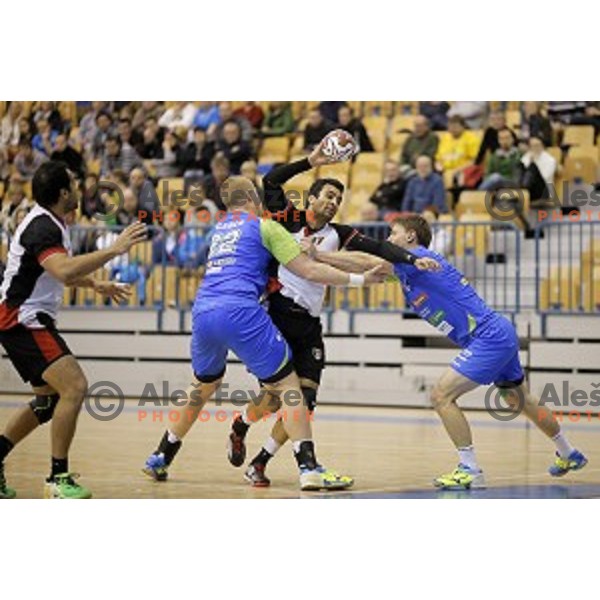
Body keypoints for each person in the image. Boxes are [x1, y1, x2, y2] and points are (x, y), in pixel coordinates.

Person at [142, 175, 390, 492]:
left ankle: (161, 455)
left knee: (203, 386)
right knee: (290, 390)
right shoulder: (266, 227)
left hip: (204, 311)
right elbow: (310, 270)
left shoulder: (220, 230)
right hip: (244, 312)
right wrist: (361, 282)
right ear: (253, 201)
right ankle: (308, 468)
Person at [312, 213, 588, 490]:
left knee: (441, 396)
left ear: (410, 236)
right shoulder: (410, 269)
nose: (388, 239)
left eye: (393, 233)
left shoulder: (415, 257)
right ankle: (568, 452)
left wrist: (320, 255)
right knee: (519, 400)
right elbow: (369, 271)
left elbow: (369, 261)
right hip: (498, 333)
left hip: (488, 337)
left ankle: (470, 469)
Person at [223, 141, 439, 487]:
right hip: (276, 316)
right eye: (327, 195)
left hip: (308, 323)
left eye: (338, 199)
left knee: (304, 403)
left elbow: (380, 246)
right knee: (277, 399)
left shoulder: (339, 234)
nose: (333, 202)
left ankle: (261, 461)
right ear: (310, 199)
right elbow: (272, 181)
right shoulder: (288, 219)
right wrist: (311, 161)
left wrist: (413, 259)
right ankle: (246, 427)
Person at [0, 161, 147, 499]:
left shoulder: (50, 222)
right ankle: (57, 477)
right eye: (75, 184)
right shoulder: (43, 227)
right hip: (22, 319)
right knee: (75, 386)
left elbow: (53, 271)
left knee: (47, 402)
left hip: (24, 318)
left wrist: (95, 284)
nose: (80, 189)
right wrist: (114, 249)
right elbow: (63, 271)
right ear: (64, 193)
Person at [519, 137, 557, 201]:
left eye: (537, 145)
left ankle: (521, 190)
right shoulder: (525, 158)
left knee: (533, 168)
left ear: (542, 146)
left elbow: (545, 176)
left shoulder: (550, 160)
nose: (535, 148)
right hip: (530, 189)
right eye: (532, 146)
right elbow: (522, 175)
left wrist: (533, 162)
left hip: (544, 190)